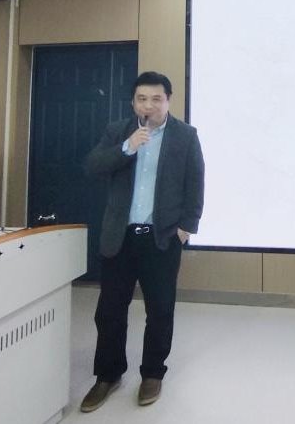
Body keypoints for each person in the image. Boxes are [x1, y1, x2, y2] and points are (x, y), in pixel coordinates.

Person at [80, 71, 204, 412]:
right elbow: (93, 166)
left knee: (160, 310)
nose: (148, 105)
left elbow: (195, 184)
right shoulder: (118, 131)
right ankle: (107, 376)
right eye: (142, 99)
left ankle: (152, 373)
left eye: (156, 99)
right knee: (109, 311)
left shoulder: (185, 136)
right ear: (134, 102)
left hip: (161, 238)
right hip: (120, 237)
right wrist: (127, 147)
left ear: (168, 101)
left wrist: (186, 228)